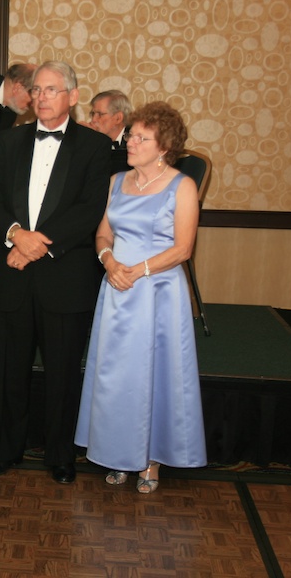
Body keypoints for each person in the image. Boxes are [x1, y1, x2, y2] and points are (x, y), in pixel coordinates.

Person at [0, 61, 111, 485]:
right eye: (37, 90)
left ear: (73, 96)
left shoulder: (96, 147)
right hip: (13, 277)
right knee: (10, 372)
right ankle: (6, 450)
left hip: (65, 278)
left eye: (52, 90)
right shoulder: (8, 141)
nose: (41, 97)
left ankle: (60, 455)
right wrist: (17, 236)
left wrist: (37, 246)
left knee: (63, 374)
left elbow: (90, 209)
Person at [74, 101, 206, 494]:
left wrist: (139, 270)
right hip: (117, 288)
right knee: (116, 376)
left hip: (158, 292)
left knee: (154, 375)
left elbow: (183, 249)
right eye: (131, 135)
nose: (130, 142)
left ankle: (151, 459)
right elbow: (103, 234)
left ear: (163, 146)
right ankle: (117, 453)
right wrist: (109, 261)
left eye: (141, 138)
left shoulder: (182, 186)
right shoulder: (116, 181)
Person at [85, 90, 132, 174]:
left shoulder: (134, 141)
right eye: (93, 114)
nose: (94, 119)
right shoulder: (94, 140)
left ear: (118, 118)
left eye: (100, 114)